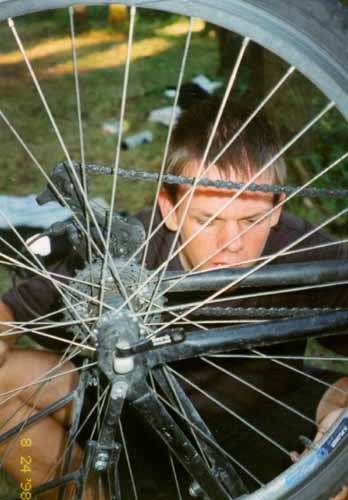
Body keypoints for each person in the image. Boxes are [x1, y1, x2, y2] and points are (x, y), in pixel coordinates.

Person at [0, 98, 347, 498]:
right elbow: (14, 310)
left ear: (275, 209)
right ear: (170, 209)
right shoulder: (131, 246)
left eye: (250, 220)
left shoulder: (303, 250)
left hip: (267, 415)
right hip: (137, 414)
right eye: (208, 220)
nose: (232, 244)